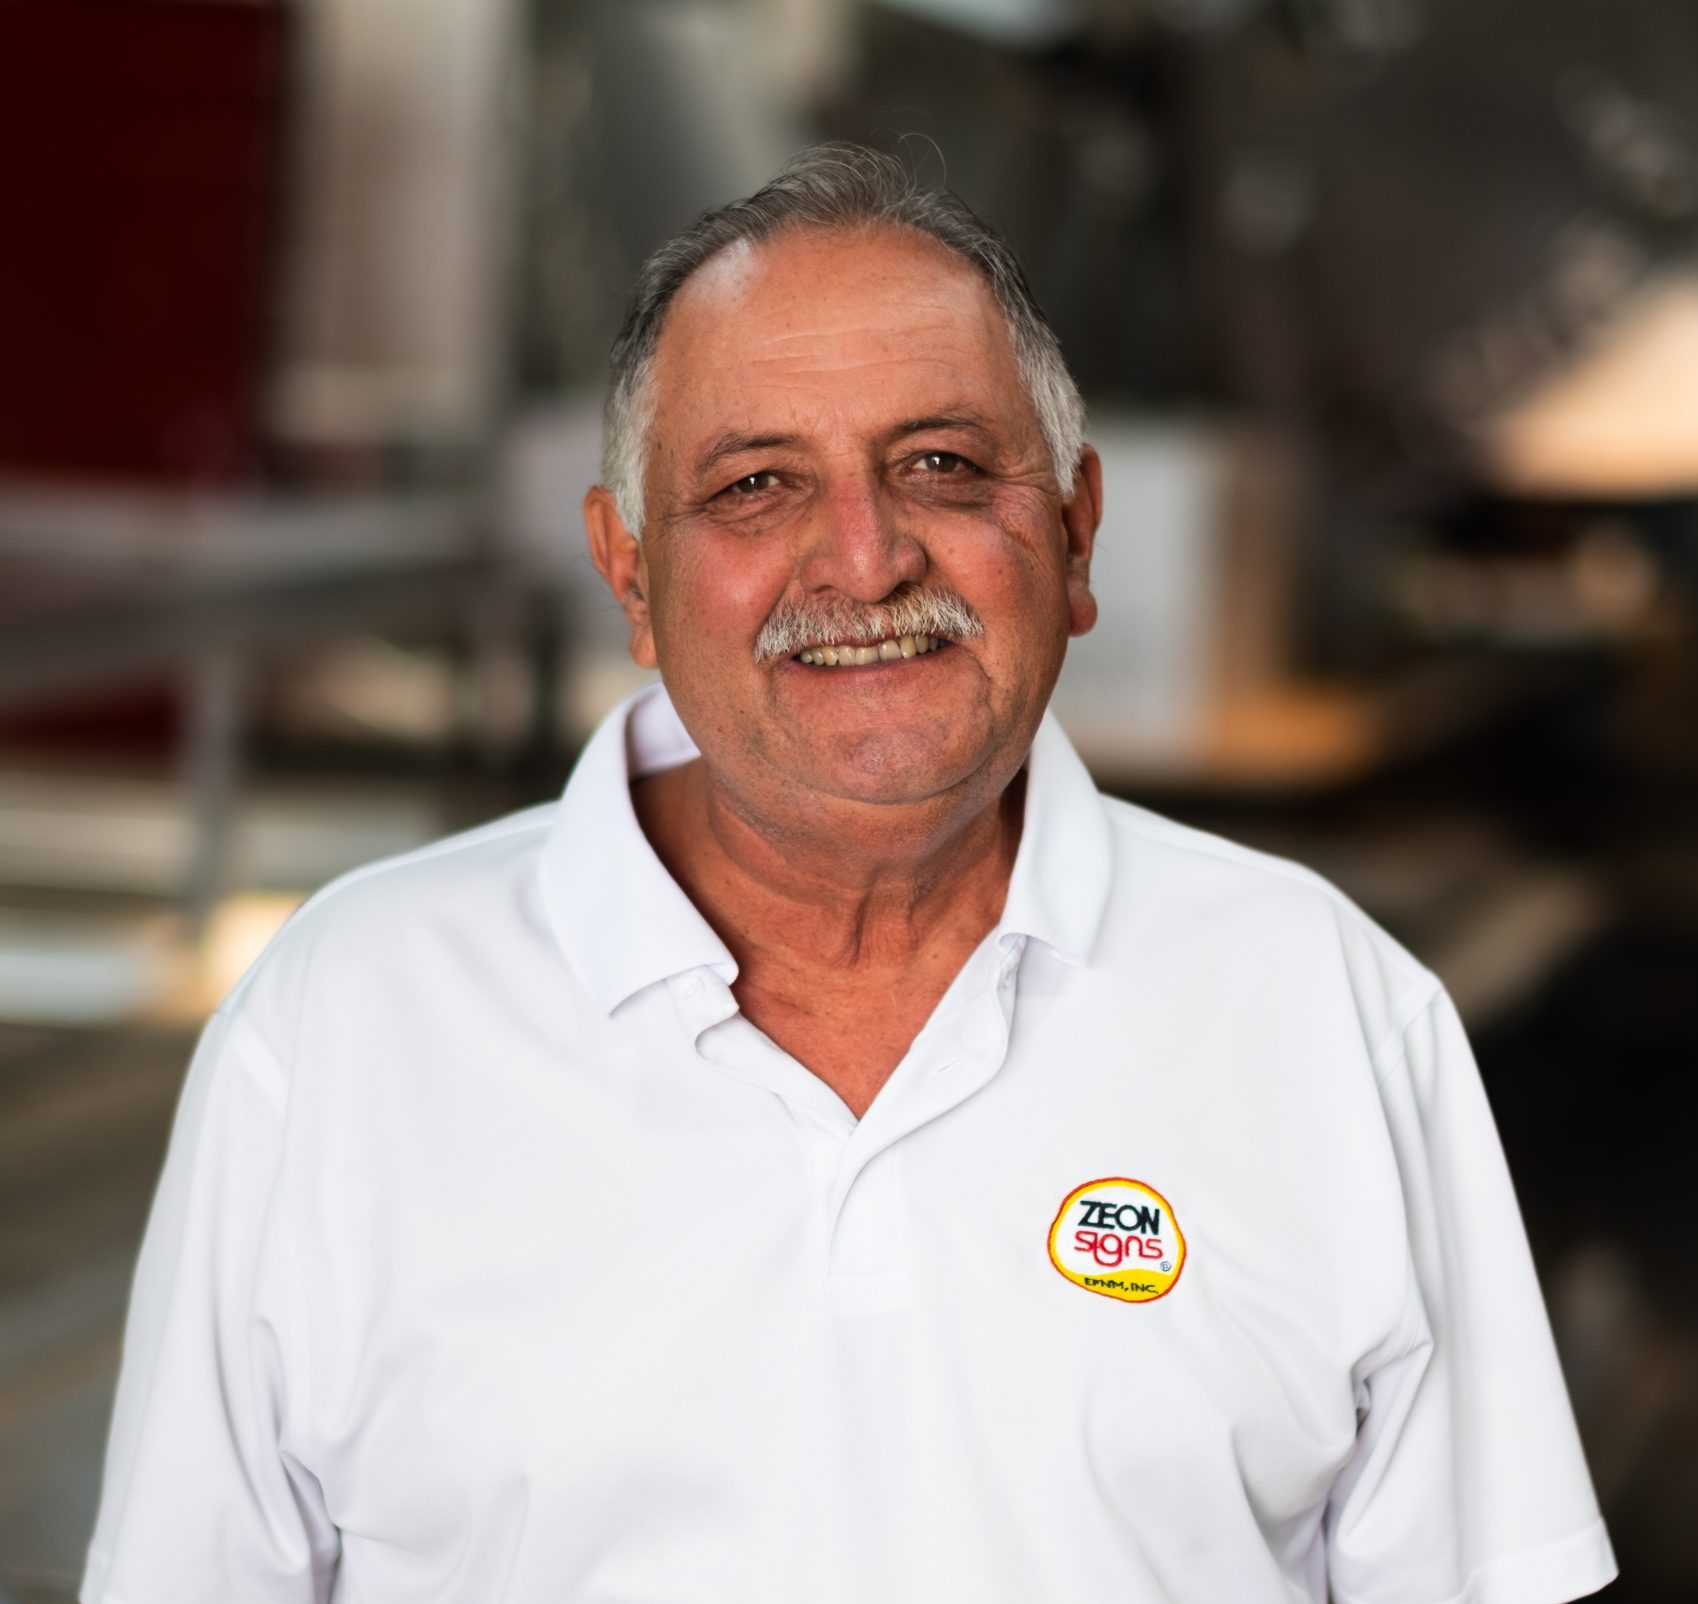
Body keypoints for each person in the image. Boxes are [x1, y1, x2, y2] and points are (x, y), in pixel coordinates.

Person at [83, 144, 1616, 1604]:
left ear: (1075, 533)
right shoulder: (345, 1025)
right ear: (630, 573)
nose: (867, 559)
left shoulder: (1325, 1009)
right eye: (756, 485)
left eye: (942, 465)